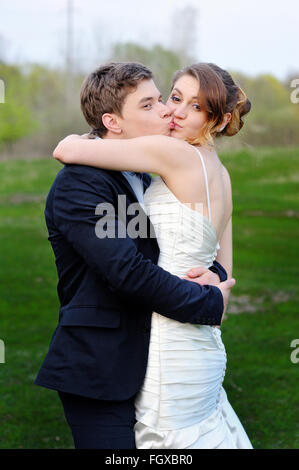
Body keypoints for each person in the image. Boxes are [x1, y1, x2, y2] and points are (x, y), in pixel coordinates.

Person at [35, 62, 234, 450]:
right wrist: (210, 302)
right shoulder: (80, 183)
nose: (165, 111)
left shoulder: (151, 174)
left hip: (159, 357)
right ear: (113, 122)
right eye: (149, 105)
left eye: (162, 99)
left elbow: (191, 237)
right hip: (101, 367)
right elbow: (126, 271)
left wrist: (215, 271)